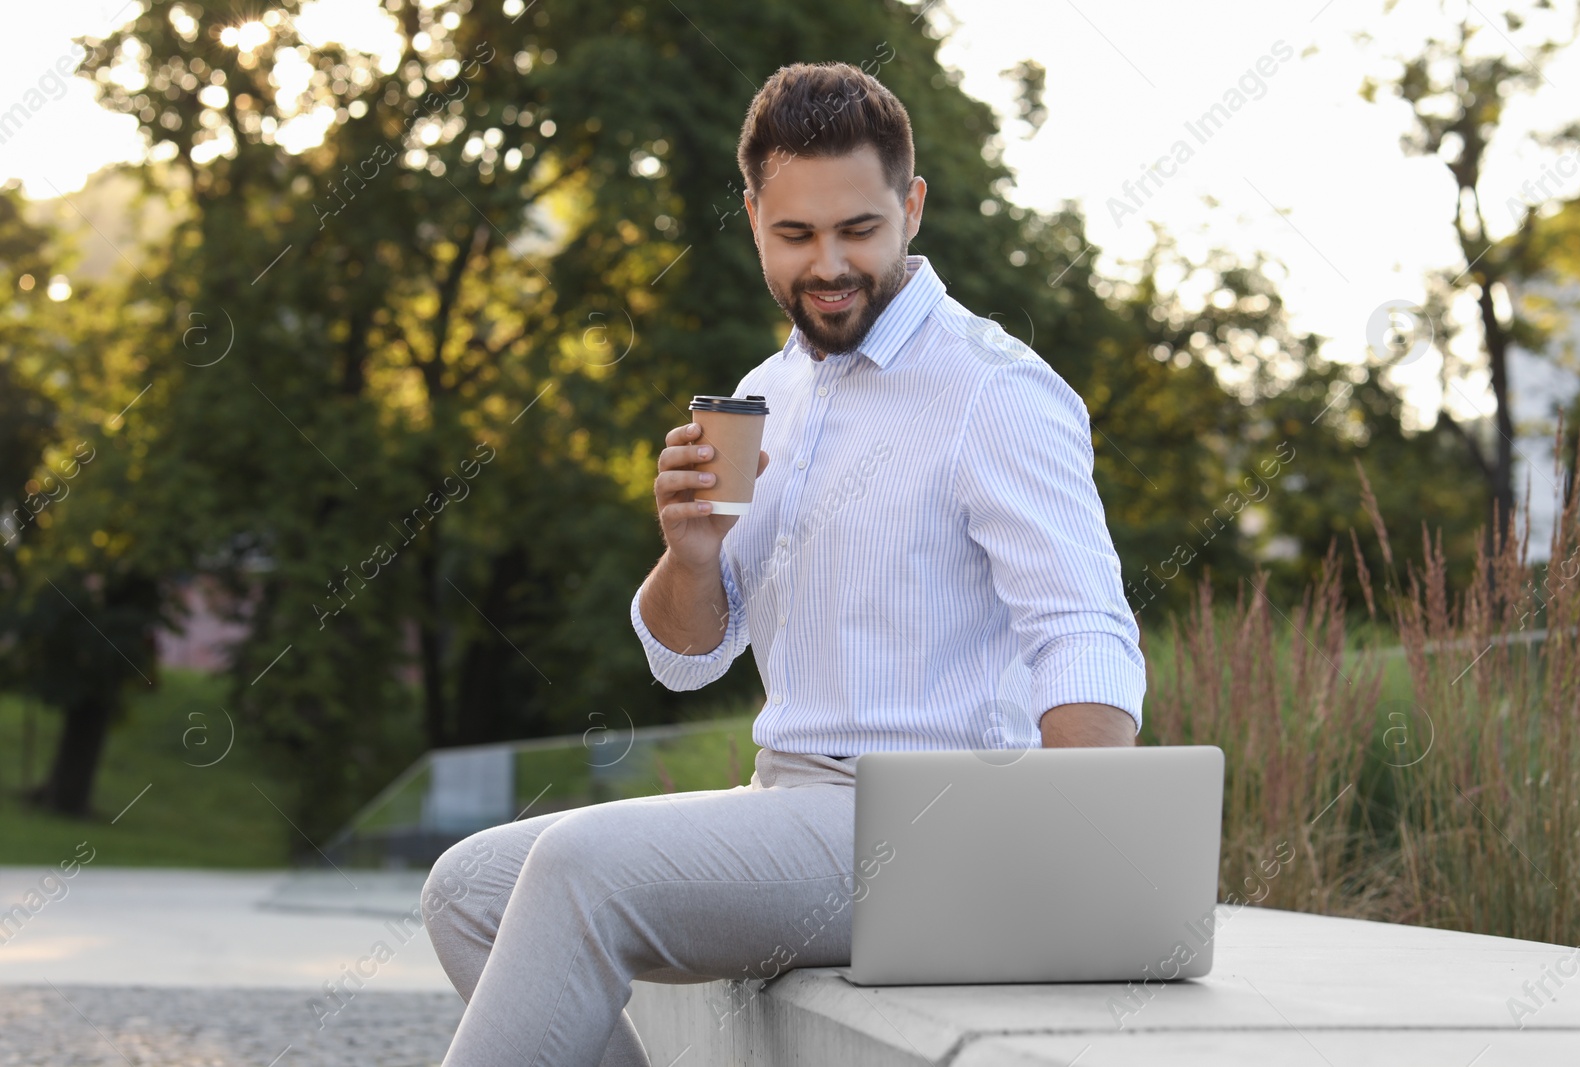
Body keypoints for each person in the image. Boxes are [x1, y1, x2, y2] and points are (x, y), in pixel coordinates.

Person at [422, 60, 1145, 1066]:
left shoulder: (995, 390)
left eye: (859, 229)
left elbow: (1083, 627)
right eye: (796, 234)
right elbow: (688, 656)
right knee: (467, 887)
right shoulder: (766, 396)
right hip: (788, 800)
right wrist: (691, 551)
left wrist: (1081, 863)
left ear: (913, 206)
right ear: (754, 214)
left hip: (931, 819)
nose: (830, 265)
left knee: (580, 868)